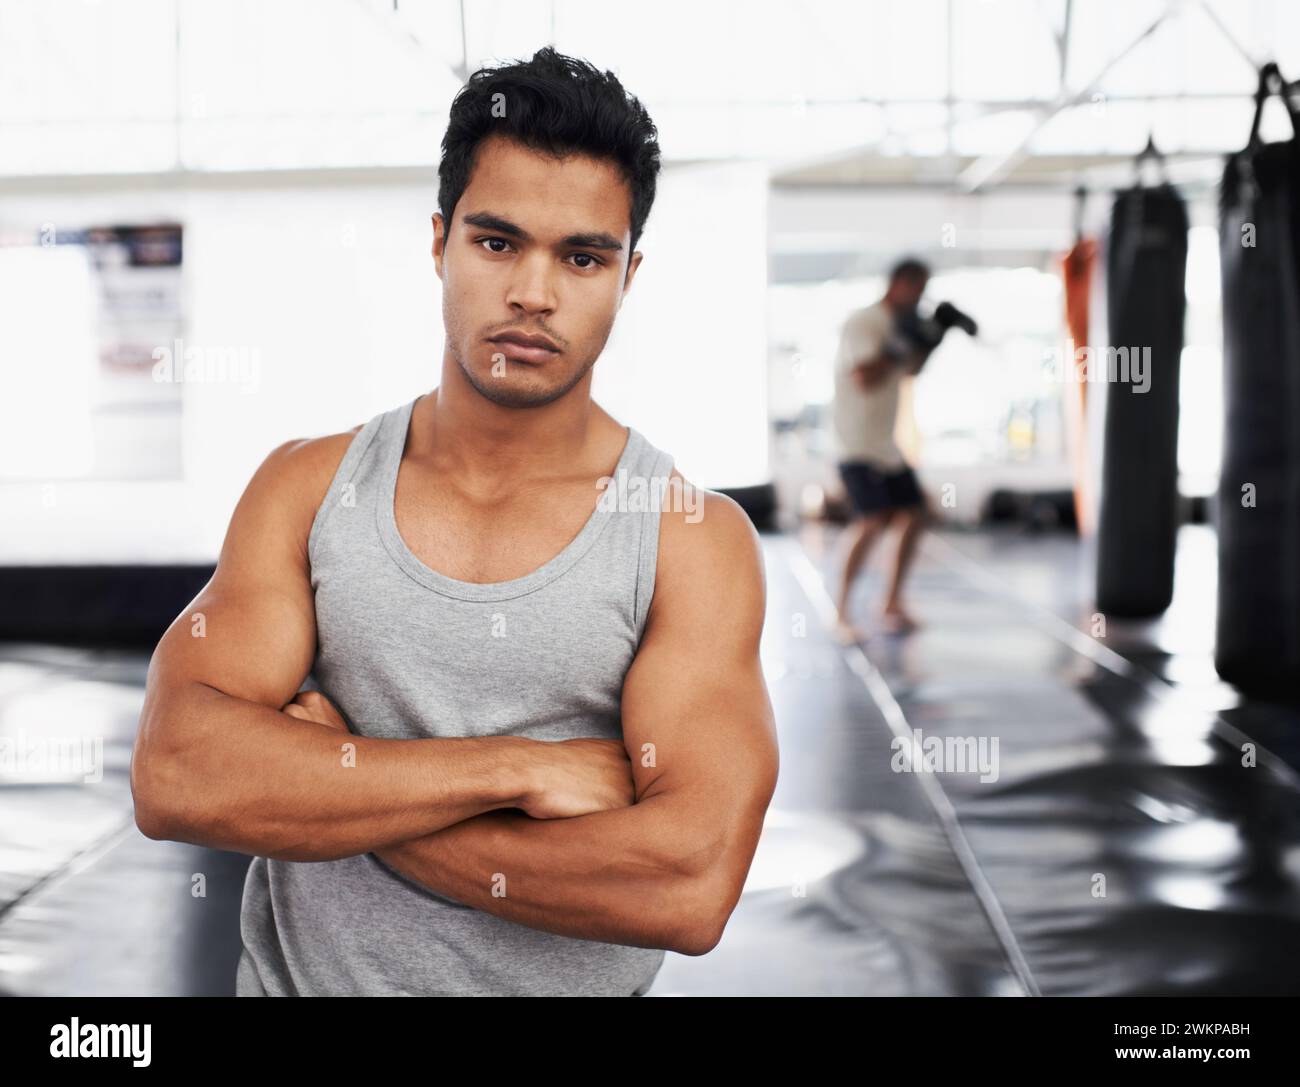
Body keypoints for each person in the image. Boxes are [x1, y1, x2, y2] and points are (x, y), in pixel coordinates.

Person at [130, 47, 779, 997]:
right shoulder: (307, 488)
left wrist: (335, 784)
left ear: (628, 275)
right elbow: (176, 769)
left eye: (583, 256)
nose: (534, 294)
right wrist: (513, 769)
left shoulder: (690, 537)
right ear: (440, 243)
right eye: (498, 241)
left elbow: (686, 883)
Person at [830, 257, 934, 641]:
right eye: (917, 289)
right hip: (856, 443)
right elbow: (864, 377)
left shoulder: (897, 326)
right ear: (899, 284)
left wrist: (932, 340)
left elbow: (908, 372)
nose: (920, 297)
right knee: (872, 521)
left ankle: (890, 602)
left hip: (886, 445)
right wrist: (899, 346)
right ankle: (840, 612)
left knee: (916, 514)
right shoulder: (865, 322)